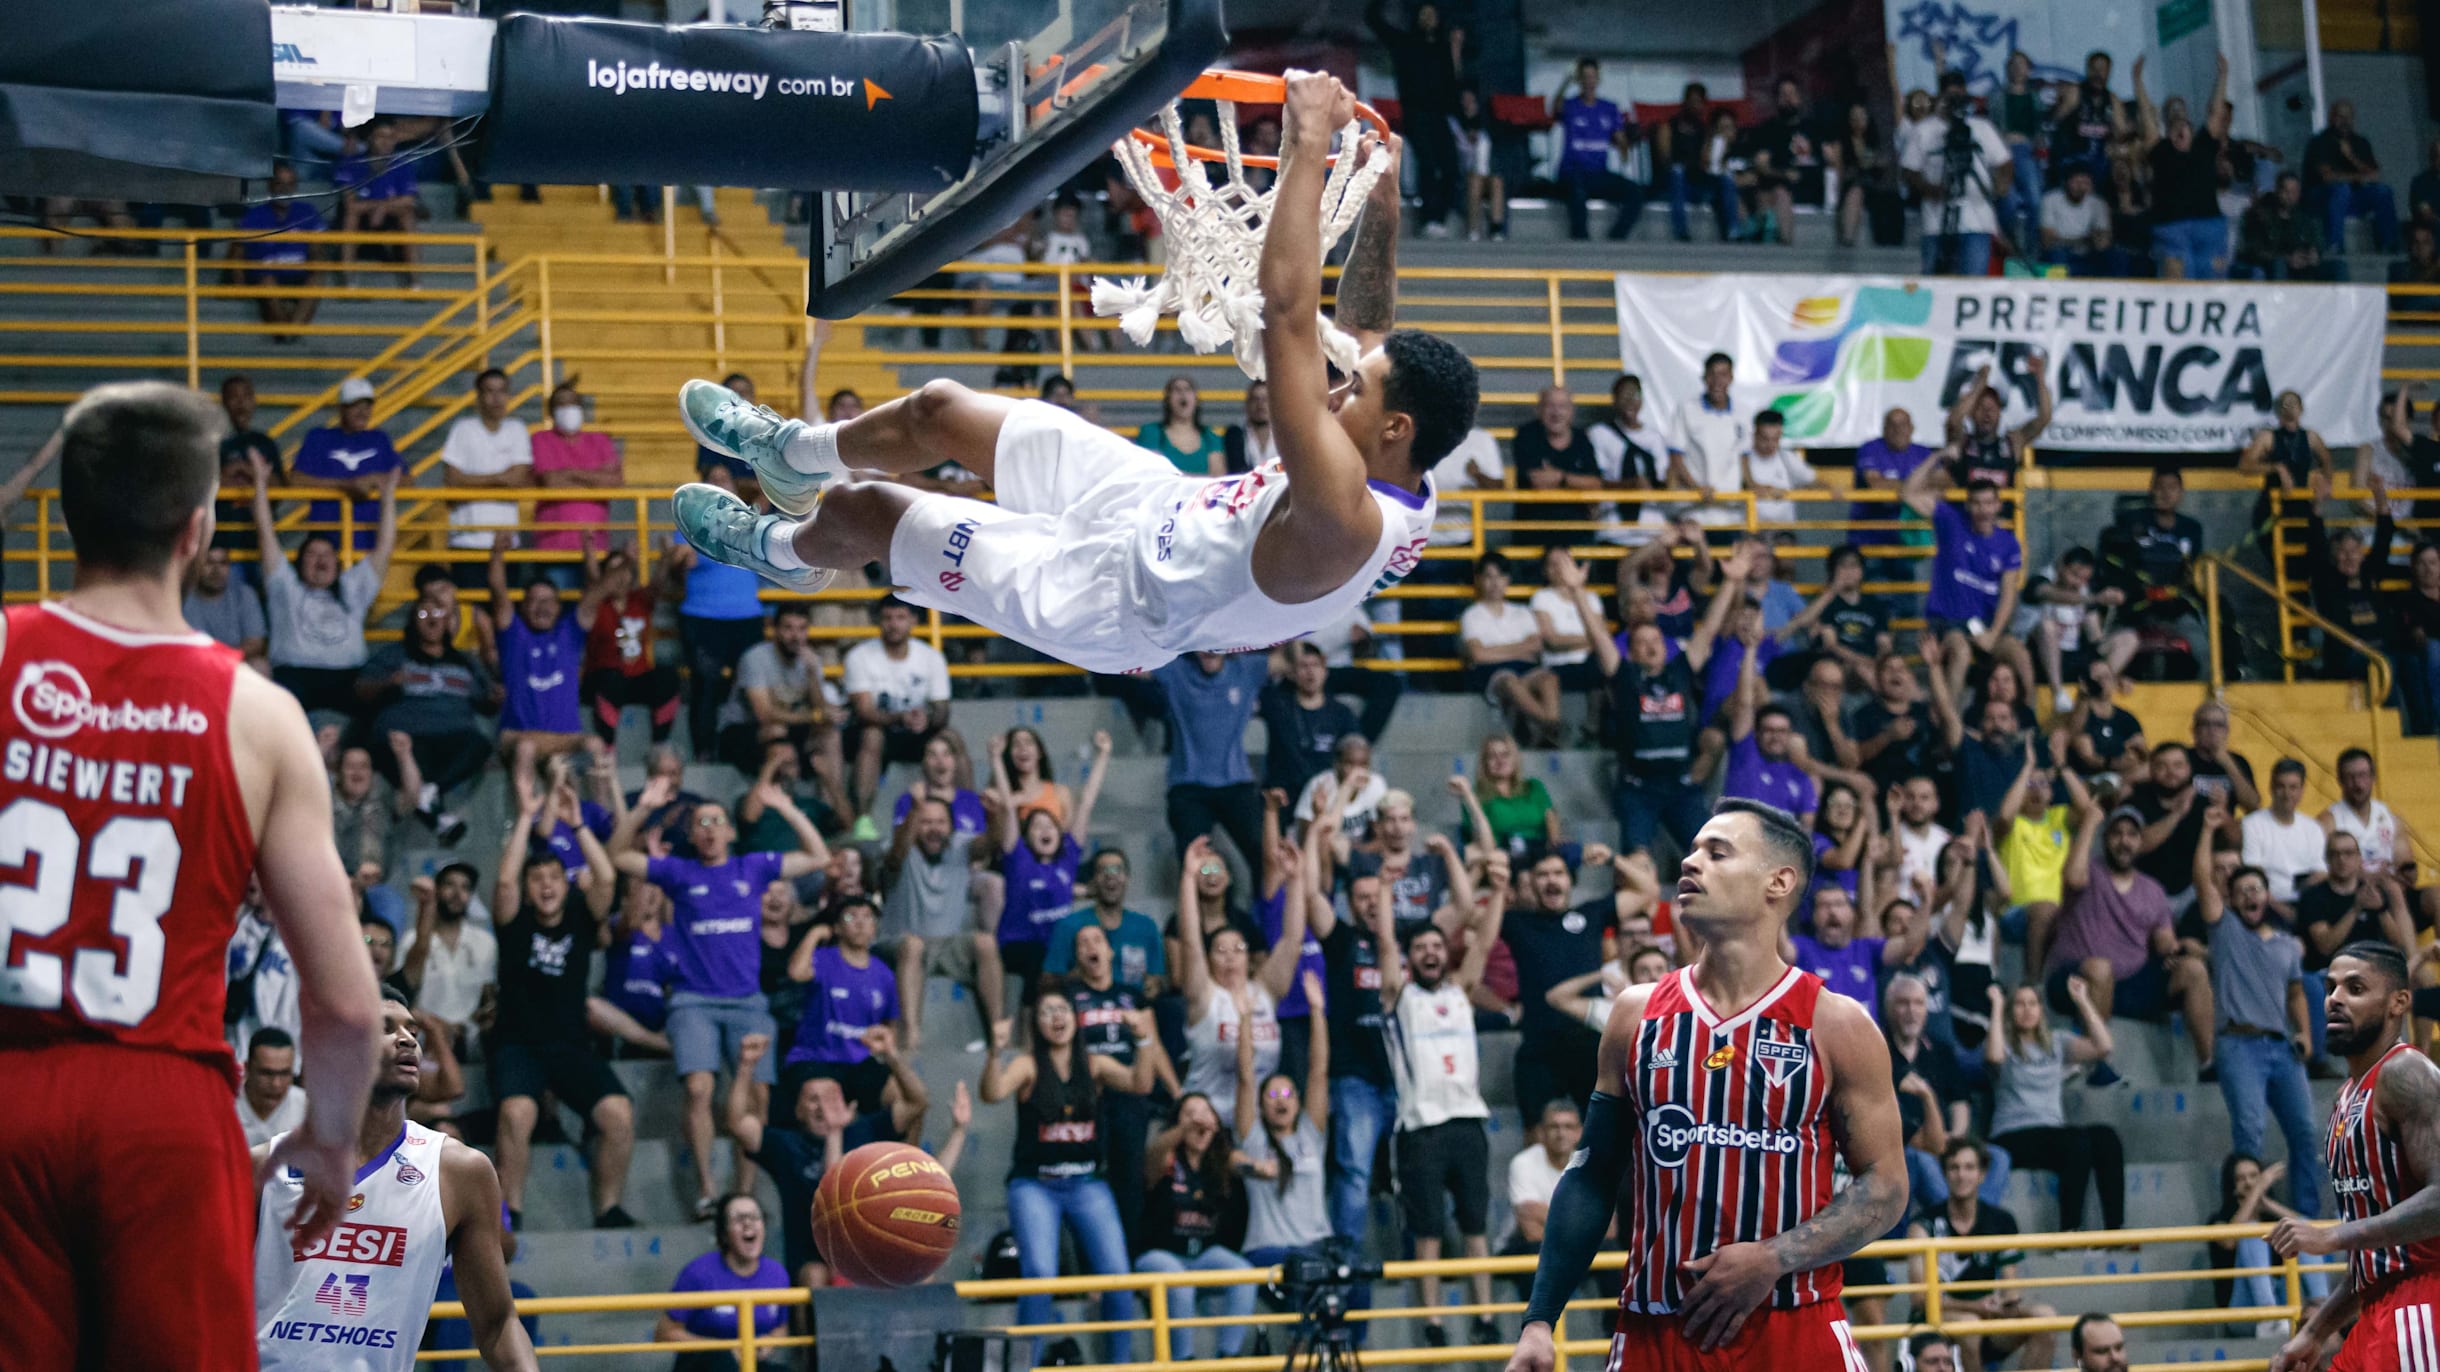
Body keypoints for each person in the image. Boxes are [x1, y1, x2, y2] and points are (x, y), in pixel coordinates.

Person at [672, 80, 1472, 682]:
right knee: (940, 408)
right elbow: (1365, 326)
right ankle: (790, 452)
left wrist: (1304, 141)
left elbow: (1291, 312)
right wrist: (1386, 204)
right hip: (1158, 502)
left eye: (1354, 391)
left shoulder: (1341, 513)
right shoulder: (1404, 460)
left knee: (867, 509)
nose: (1340, 388)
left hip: (1108, 602)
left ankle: (780, 548)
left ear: (1394, 429)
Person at [0, 384, 384, 1372]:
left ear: (68, 512)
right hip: (163, 1104)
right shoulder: (257, 715)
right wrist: (332, 1141)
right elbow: (343, 1004)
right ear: (198, 524)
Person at [1504, 800, 1906, 1368]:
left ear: (1778, 882)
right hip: (1656, 1333)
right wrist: (1540, 1320)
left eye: (1717, 852)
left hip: (1792, 1328)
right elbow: (1593, 1174)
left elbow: (1887, 1187)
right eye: (1692, 850)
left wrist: (1773, 1257)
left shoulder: (1837, 1023)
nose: (1691, 862)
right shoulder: (1634, 1014)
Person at [252, 999, 535, 1372]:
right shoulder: (261, 1167)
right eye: (384, 1029)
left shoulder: (458, 1172)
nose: (406, 1040)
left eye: (412, 1031)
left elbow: (498, 1324)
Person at [611, 775, 829, 1218]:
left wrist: (786, 808)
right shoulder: (679, 872)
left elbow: (818, 856)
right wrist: (641, 808)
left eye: (717, 821)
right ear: (692, 834)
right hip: (694, 1001)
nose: (709, 828)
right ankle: (709, 1192)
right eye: (700, 822)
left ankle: (742, 1192)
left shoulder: (753, 867)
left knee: (760, 1100)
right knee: (699, 1088)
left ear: (730, 831)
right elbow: (617, 855)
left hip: (748, 1002)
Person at [2269, 941, 2440, 1372]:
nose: (2334, 999)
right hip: (2375, 1306)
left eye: (2355, 988)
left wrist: (2333, 1237)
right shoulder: (2346, 1097)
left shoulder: (2406, 1073)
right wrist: (2315, 1330)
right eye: (2330, 987)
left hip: (2423, 1302)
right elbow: (2374, 1256)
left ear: (2398, 1002)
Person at [489, 771, 636, 1230]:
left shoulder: (579, 916)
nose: (546, 886)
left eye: (555, 877)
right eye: (538, 879)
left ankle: (608, 1207)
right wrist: (528, 817)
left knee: (618, 1113)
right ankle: (509, 1212)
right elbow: (506, 884)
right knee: (518, 1111)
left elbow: (608, 878)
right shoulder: (514, 920)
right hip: (518, 1045)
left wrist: (578, 825)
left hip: (570, 1046)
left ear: (566, 882)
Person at [981, 991, 1156, 1362]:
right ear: (1037, 1023)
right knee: (1040, 1275)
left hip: (1087, 1182)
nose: (1055, 1017)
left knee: (1117, 1276)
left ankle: (1119, 1366)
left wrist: (1143, 1040)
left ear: (1075, 1019)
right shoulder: (1028, 1066)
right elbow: (993, 1092)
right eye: (1046, 1011)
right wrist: (996, 1052)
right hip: (1035, 1184)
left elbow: (1141, 1083)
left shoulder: (1094, 1065)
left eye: (1062, 1009)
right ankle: (1026, 1365)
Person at [1384, 852, 1509, 1347]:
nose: (1432, 952)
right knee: (1429, 1231)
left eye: (1438, 944)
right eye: (1422, 947)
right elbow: (1385, 948)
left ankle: (1483, 1316)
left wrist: (1498, 890)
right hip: (1421, 1128)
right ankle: (1433, 1322)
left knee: (1476, 1225)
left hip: (1467, 1123)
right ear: (1412, 957)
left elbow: (1485, 942)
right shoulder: (1399, 997)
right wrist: (1382, 886)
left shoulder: (1460, 990)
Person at [1559, 541, 1751, 854]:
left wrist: (1730, 582)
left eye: (1656, 641)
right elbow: (1598, 636)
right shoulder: (1625, 676)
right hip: (1638, 789)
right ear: (1631, 652)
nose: (1651, 646)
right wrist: (1578, 592)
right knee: (1638, 860)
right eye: (1642, 643)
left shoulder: (1681, 669)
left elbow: (1711, 627)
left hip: (1681, 785)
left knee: (1714, 857)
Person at [726, 1020, 939, 1290]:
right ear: (798, 1111)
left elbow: (917, 1101)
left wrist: (892, 1055)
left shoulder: (867, 1130)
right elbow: (737, 1124)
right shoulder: (784, 1144)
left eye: (830, 1096)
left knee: (919, 1275)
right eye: (813, 1099)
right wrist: (745, 1066)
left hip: (866, 1251)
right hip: (810, 1257)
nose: (822, 1106)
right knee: (815, 1276)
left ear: (846, 1101)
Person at [2195, 840, 2327, 1234]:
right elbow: (2202, 879)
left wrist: (2304, 1033)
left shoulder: (2287, 944)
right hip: (2238, 1044)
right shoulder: (2226, 929)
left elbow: (2295, 992)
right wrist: (2207, 829)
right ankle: (2248, 1223)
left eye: (2257, 889)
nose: (2251, 896)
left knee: (2305, 1131)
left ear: (2267, 896)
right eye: (2242, 891)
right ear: (2232, 900)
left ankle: (2307, 1220)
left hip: (2280, 1045)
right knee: (2248, 1132)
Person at [252, 451, 398, 718]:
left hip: (348, 676)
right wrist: (260, 483)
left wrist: (387, 497)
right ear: (299, 564)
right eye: (311, 554)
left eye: (327, 554)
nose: (320, 560)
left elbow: (385, 547)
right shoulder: (285, 586)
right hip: (295, 675)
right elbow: (265, 533)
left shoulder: (353, 585)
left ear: (337, 563)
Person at [1176, 834, 1308, 1129]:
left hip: (1258, 1121)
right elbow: (1190, 943)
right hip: (1206, 1120)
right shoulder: (1204, 996)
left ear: (1250, 958)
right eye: (1220, 951)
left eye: (1238, 949)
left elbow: (1292, 941)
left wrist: (1296, 880)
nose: (1230, 957)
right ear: (1209, 960)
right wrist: (1187, 877)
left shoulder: (1264, 992)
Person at [1985, 980, 2127, 1233]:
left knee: (2107, 1137)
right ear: (2010, 1010)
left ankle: (2116, 1231)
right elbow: (1993, 1056)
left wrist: (2083, 1000)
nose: (2027, 1010)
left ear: (2041, 1010)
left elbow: (2104, 1047)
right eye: (2019, 1004)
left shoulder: (2057, 1042)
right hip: (2012, 1134)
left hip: (2051, 1132)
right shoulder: (2004, 1043)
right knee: (2076, 1142)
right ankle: (2069, 1233)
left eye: (2032, 1004)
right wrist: (1997, 1006)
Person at [1904, 1140, 2056, 1372]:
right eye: (1954, 1168)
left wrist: (2005, 1302)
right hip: (1935, 1320)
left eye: (1969, 1167)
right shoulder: (1923, 1225)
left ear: (1982, 1175)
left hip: (1986, 1317)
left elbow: (2010, 1286)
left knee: (2045, 1317)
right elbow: (1920, 1300)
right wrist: (1977, 1306)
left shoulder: (2001, 1221)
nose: (1961, 1175)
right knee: (1969, 1325)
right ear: (1945, 1174)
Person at [878, 791, 1009, 1053]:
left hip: (949, 944)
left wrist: (994, 815)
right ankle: (911, 1038)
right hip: (899, 944)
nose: (934, 829)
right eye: (926, 822)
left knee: (985, 942)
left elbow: (993, 843)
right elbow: (897, 852)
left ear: (951, 825)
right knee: (913, 945)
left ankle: (997, 1032)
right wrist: (914, 813)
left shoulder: (961, 845)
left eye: (940, 822)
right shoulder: (900, 849)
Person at [1135, 1091, 1259, 1360]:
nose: (1198, 1122)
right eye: (1190, 1114)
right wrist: (1187, 1126)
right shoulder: (1164, 1158)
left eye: (1206, 1114)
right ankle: (1183, 1361)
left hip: (1202, 1256)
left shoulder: (1219, 1163)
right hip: (1159, 1255)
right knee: (1180, 1283)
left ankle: (1229, 1357)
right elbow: (1153, 1151)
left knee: (1244, 1273)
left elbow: (1244, 1164)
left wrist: (1261, 1167)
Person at [1901, 454, 2033, 705]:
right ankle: (1950, 730)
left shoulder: (2008, 543)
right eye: (1976, 503)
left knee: (2021, 655)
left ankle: (2029, 727)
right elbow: (1908, 493)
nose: (1982, 509)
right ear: (1968, 505)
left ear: (1997, 505)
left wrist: (1993, 634)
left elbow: (2008, 594)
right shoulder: (1951, 521)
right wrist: (1937, 456)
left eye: (1988, 503)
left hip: (1984, 626)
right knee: (1959, 651)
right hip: (1946, 623)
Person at [990, 732, 1112, 987]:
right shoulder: (1018, 859)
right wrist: (995, 759)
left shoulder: (1067, 858)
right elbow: (1008, 810)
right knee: (1044, 960)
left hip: (1055, 948)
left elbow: (1087, 801)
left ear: (1060, 833)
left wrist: (1103, 754)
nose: (1045, 831)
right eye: (1037, 827)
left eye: (1050, 826)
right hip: (1019, 946)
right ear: (1026, 837)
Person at [1154, 649, 1272, 873]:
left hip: (1237, 782)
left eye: (1215, 642)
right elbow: (1134, 664)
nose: (1209, 649)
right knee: (1193, 863)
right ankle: (1194, 908)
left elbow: (1290, 660)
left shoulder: (1246, 669)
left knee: (1264, 856)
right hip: (1189, 786)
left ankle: (1267, 908)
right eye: (1204, 642)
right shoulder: (1176, 670)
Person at [654, 1194, 791, 1369]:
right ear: (724, 1234)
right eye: (739, 1219)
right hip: (702, 1364)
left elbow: (781, 1327)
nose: (748, 1223)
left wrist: (770, 1341)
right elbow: (664, 1333)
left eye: (755, 1217)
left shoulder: (777, 1274)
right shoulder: (698, 1272)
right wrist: (722, 1349)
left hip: (750, 1363)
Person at [843, 595, 952, 814]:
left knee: (951, 740)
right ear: (878, 621)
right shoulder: (859, 656)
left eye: (900, 617)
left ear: (913, 621)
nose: (894, 624)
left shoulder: (932, 657)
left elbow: (942, 708)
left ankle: (963, 811)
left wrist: (927, 718)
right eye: (888, 618)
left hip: (918, 732)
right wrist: (901, 718)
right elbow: (863, 711)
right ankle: (862, 818)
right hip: (876, 732)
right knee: (872, 735)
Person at [1900, 70, 2011, 275]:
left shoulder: (1981, 128)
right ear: (1940, 96)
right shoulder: (1924, 130)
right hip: (1937, 222)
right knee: (1934, 284)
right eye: (1950, 96)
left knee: (1973, 284)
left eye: (1959, 95)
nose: (1954, 101)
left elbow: (2004, 163)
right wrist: (1930, 189)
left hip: (1978, 221)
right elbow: (1909, 170)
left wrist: (2000, 185)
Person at [1366, 1, 1462, 235]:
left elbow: (1452, 84)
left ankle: (1442, 214)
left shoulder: (1442, 46)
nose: (1429, 19)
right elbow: (1374, 21)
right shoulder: (1406, 43)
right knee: (1427, 164)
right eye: (1424, 14)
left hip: (1439, 114)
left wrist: (1455, 52)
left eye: (1432, 14)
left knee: (1451, 165)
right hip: (1416, 112)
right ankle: (1429, 219)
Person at [2135, 55, 2234, 278]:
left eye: (2183, 119)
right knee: (2179, 289)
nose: (2179, 119)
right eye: (2173, 117)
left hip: (2208, 226)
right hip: (2172, 229)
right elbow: (2146, 115)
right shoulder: (2160, 150)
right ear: (2167, 129)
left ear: (2191, 125)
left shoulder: (2204, 145)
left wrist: (2223, 76)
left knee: (2214, 287)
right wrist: (2138, 81)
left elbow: (2216, 111)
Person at [580, 544, 684, 746]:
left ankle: (660, 744)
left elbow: (657, 585)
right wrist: (621, 559)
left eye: (625, 571)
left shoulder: (640, 601)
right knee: (612, 677)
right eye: (614, 570)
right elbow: (595, 582)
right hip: (601, 681)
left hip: (634, 679)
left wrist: (665, 559)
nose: (620, 577)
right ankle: (607, 748)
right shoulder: (595, 605)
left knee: (667, 675)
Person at [439, 368, 534, 583]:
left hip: (507, 541)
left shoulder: (517, 429)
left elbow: (518, 481)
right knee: (470, 612)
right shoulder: (463, 429)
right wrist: (500, 479)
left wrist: (470, 482)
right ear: (478, 397)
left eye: (502, 391)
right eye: (489, 391)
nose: (496, 398)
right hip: (466, 541)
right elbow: (452, 481)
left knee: (504, 614)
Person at [289, 377, 404, 551]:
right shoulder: (319, 438)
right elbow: (295, 479)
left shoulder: (380, 439)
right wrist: (345, 486)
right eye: (355, 405)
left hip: (369, 542)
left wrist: (373, 479)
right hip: (326, 543)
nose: (362, 411)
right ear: (341, 408)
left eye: (367, 406)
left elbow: (407, 480)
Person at [1460, 552, 1564, 742]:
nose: (1495, 582)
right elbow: (1477, 655)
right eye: (1489, 576)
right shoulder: (1471, 615)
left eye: (1500, 576)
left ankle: (1549, 726)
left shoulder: (1522, 612)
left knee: (1549, 678)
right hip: (1490, 673)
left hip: (1523, 669)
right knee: (1509, 681)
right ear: (1479, 579)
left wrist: (1495, 650)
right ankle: (1550, 725)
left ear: (1508, 579)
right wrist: (1519, 648)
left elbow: (1536, 646)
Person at [530, 381, 624, 566]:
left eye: (573, 403)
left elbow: (614, 482)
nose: (568, 409)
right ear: (551, 411)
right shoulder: (541, 439)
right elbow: (550, 481)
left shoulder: (599, 440)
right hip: (553, 545)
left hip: (596, 543)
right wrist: (594, 478)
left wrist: (569, 473)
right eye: (561, 404)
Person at [1548, 57, 1643, 240]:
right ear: (1580, 80)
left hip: (1598, 174)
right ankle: (1581, 240)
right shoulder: (1571, 105)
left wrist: (1628, 139)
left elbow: (1620, 140)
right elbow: (1555, 107)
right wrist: (1567, 80)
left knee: (1635, 192)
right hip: (1572, 172)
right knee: (1576, 192)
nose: (1589, 81)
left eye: (1593, 77)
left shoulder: (1609, 108)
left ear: (1598, 79)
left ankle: (1616, 237)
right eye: (1585, 77)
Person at [2305, 97, 2401, 254]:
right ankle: (2335, 245)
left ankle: (2389, 244)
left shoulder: (2360, 142)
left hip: (2352, 198)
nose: (2344, 121)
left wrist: (2351, 157)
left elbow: (2375, 176)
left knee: (2383, 191)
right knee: (2341, 189)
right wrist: (2358, 177)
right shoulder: (2319, 142)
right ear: (2331, 118)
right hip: (2322, 198)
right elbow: (2327, 178)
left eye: (2348, 117)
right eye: (2340, 117)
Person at [1943, 358, 2054, 491]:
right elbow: (1954, 420)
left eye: (1992, 408)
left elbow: (2044, 418)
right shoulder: (1962, 443)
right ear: (1971, 413)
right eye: (1981, 408)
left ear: (2000, 413)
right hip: (1967, 511)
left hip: (2001, 511)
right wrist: (1980, 383)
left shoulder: (2012, 443)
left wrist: (2040, 377)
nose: (1987, 413)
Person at [1656, 82, 1742, 240]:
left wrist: (1718, 142)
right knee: (1677, 171)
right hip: (1675, 187)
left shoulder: (1705, 131)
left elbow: (1707, 163)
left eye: (1699, 102)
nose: (1696, 106)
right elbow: (1665, 159)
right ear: (1685, 102)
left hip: (1698, 185)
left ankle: (1734, 231)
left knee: (1727, 179)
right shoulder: (1669, 127)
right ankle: (1681, 232)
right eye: (1693, 101)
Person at [2245, 758, 2330, 911]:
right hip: (2267, 905)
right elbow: (2253, 873)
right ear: (2271, 787)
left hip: (2306, 904)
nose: (2287, 794)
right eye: (2281, 787)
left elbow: (2321, 872)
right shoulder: (2252, 824)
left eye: (2293, 787)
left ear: (2302, 790)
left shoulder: (2313, 828)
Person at [2239, 173, 2343, 280]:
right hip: (2272, 266)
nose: (2290, 196)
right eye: (2286, 191)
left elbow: (2317, 241)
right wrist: (2287, 259)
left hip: (2303, 267)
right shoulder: (2261, 217)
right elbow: (2255, 250)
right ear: (2278, 191)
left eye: (2294, 192)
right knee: (2279, 265)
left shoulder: (2304, 219)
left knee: (2338, 267)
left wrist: (2315, 252)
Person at [185, 545, 269, 669]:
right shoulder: (184, 596)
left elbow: (255, 643)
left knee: (260, 666)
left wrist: (220, 660)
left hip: (234, 664)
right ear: (196, 566)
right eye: (209, 562)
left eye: (223, 563)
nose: (216, 570)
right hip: (195, 665)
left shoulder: (244, 594)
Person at [2323, 747, 2403, 876]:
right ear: (2340, 780)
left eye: (2363, 775)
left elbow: (2406, 867)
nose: (2358, 784)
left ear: (2373, 777)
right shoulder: (2328, 822)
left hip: (2389, 887)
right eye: (2351, 777)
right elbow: (2324, 872)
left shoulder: (2391, 818)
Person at [1134, 373, 1227, 475]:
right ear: (1168, 400)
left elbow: (1217, 481)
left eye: (1188, 389)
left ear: (1196, 400)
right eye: (1176, 390)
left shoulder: (1210, 437)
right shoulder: (1151, 433)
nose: (1183, 394)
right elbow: (1152, 475)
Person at [237, 1026, 308, 1147]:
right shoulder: (224, 1107)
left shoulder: (307, 1110)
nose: (276, 1084)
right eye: (266, 1073)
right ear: (247, 1068)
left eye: (284, 1073)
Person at [1222, 379, 1277, 474]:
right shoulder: (1235, 436)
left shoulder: (1286, 438)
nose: (1260, 405)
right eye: (1255, 399)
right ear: (1247, 404)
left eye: (1265, 399)